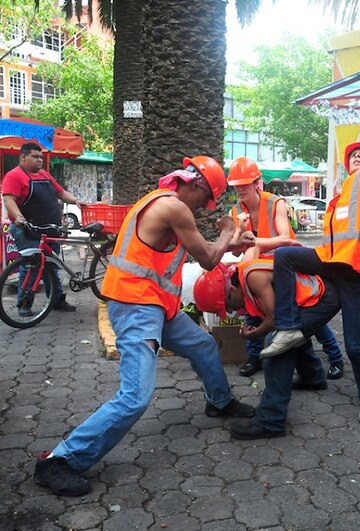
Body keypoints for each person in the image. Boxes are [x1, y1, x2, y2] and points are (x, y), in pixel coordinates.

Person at [33, 156, 257, 497]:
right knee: (135, 397)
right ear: (194, 185)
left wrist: (232, 244)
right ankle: (60, 460)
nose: (204, 208)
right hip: (137, 306)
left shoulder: (159, 201)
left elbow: (197, 251)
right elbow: (210, 260)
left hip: (156, 306)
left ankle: (220, 401)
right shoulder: (175, 208)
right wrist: (228, 231)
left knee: (203, 345)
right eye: (206, 199)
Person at [260, 70, 360, 425]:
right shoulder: (339, 196)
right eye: (354, 156)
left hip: (352, 280)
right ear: (346, 165)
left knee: (354, 346)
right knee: (284, 256)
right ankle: (286, 327)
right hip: (327, 266)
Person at [225, 157, 344, 380]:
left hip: (285, 267)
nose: (240, 189)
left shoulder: (275, 203)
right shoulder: (236, 212)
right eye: (236, 185)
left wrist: (253, 242)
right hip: (256, 270)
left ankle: (335, 358)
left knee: (305, 309)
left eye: (244, 184)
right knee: (253, 309)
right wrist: (240, 234)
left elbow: (284, 239)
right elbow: (234, 251)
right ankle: (254, 357)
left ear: (256, 183)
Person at [193, 260, 336, 439]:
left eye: (227, 307)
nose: (231, 311)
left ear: (231, 291)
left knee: (276, 342)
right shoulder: (242, 281)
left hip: (323, 298)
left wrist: (253, 335)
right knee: (291, 335)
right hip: (315, 298)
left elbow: (274, 320)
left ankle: (271, 421)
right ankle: (313, 377)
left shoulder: (253, 278)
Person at [2, 142, 86, 314]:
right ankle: (24, 304)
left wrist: (76, 200)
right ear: (23, 157)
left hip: (49, 229)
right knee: (31, 266)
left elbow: (61, 193)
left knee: (51, 266)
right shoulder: (14, 176)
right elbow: (9, 200)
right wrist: (18, 217)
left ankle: (56, 300)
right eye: (35, 156)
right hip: (28, 228)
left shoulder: (45, 175)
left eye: (41, 157)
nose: (39, 160)